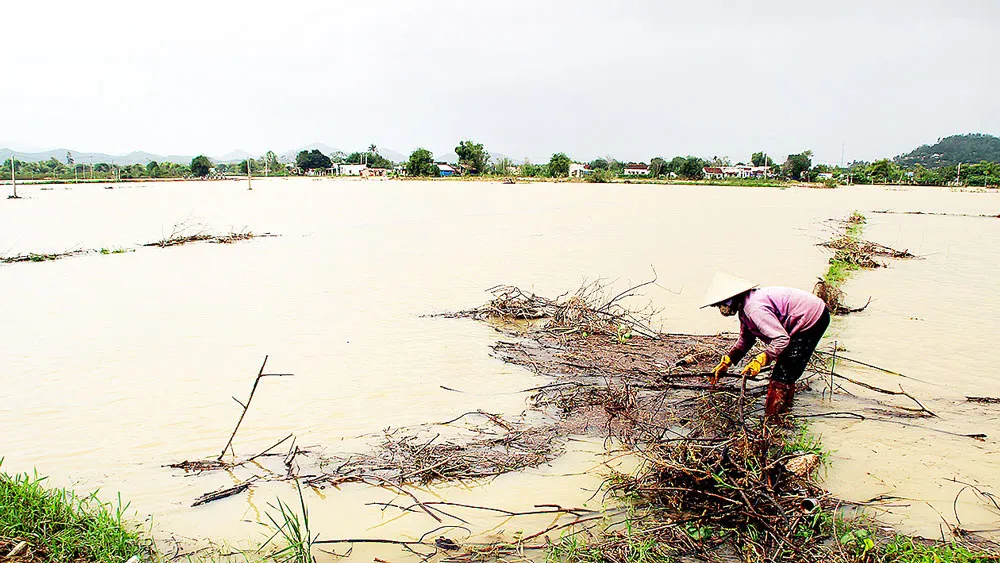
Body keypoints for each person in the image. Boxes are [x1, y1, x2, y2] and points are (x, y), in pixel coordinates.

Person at [701, 272, 830, 419]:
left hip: (812, 318)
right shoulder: (745, 308)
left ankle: (774, 420)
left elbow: (781, 339)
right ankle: (786, 413)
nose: (721, 310)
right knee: (785, 366)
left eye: (722, 305)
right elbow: (746, 339)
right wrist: (727, 361)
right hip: (805, 315)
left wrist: (761, 360)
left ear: (730, 300)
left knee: (782, 374)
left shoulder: (754, 308)